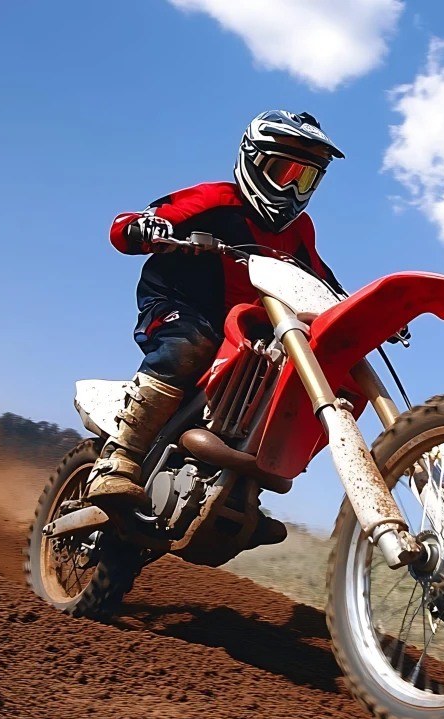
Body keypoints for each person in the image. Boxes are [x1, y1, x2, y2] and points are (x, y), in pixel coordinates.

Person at [86, 110, 346, 508]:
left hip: (246, 326)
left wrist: (350, 304)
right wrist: (147, 227)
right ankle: (117, 461)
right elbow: (129, 224)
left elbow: (320, 275)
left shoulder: (299, 230)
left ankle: (239, 485)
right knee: (190, 346)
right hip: (179, 306)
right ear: (254, 161)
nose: (293, 187)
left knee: (280, 369)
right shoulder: (215, 199)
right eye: (284, 172)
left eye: (305, 177)